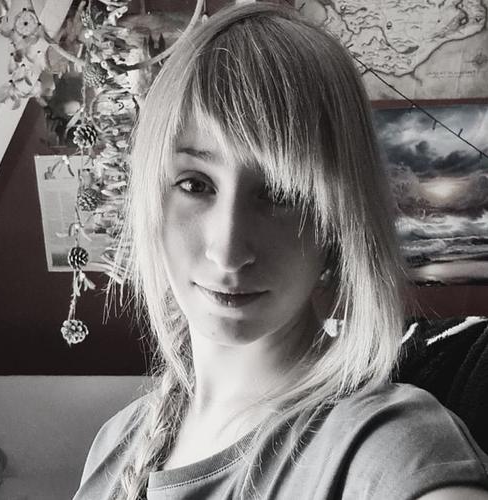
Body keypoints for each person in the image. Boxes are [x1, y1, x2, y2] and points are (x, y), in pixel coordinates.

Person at [73, 3, 488, 499]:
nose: (228, 252)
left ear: (336, 223)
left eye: (280, 193)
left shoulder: (388, 446)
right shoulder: (114, 443)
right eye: (195, 184)